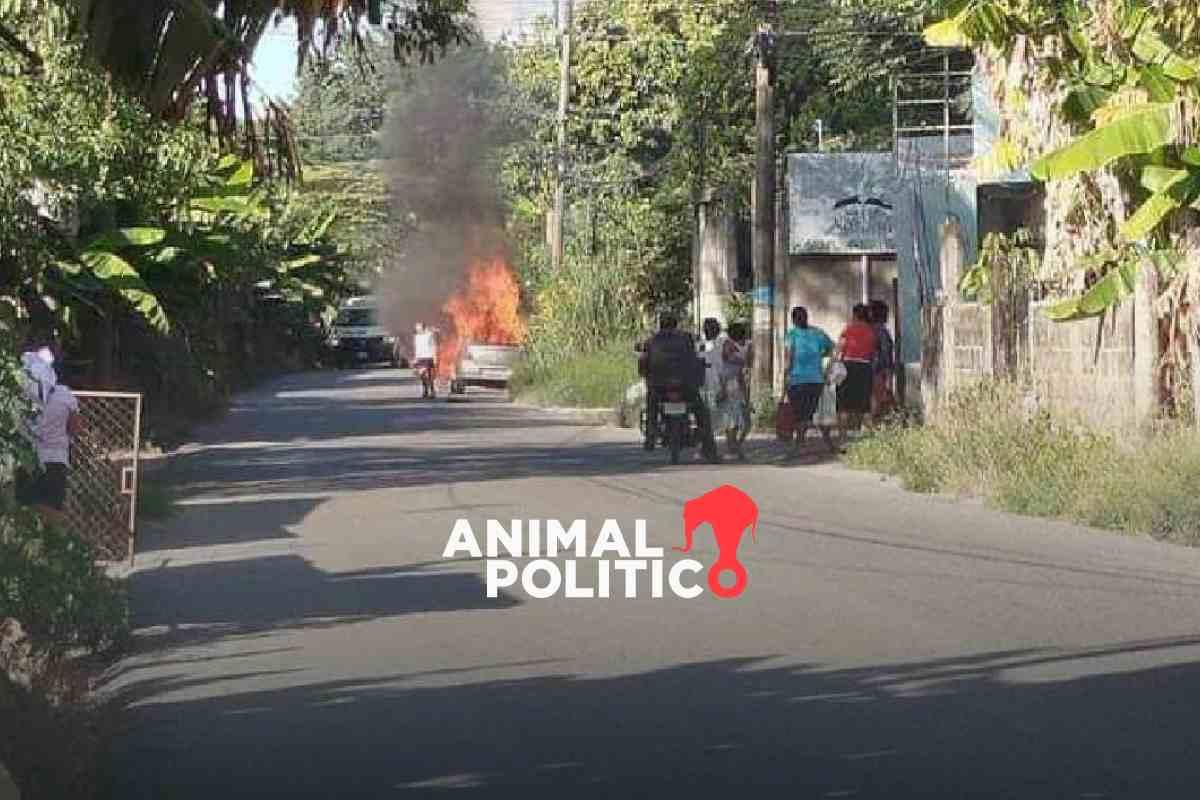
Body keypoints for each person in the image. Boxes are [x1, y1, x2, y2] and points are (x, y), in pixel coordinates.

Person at [15, 333, 82, 528]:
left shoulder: (19, 396)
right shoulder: (64, 395)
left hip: (27, 460)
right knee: (53, 512)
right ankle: (53, 543)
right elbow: (75, 428)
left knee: (25, 512)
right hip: (55, 461)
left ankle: (28, 545)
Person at [643, 312, 718, 462]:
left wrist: (649, 376)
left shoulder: (652, 341)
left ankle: (650, 435)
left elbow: (645, 363)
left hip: (660, 386)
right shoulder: (686, 338)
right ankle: (709, 449)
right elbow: (694, 357)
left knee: (652, 405)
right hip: (685, 385)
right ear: (676, 324)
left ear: (660, 324)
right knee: (702, 414)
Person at [783, 306, 838, 456]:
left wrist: (785, 378)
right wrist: (822, 356)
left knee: (801, 415)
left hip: (797, 380)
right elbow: (833, 348)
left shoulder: (791, 335)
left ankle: (799, 445)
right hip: (816, 380)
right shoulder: (818, 333)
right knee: (814, 413)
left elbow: (788, 359)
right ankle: (828, 444)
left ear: (793, 320)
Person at [701, 318, 747, 461]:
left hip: (724, 384)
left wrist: (738, 363)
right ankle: (715, 449)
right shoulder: (706, 344)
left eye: (710, 328)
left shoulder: (722, 342)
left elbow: (734, 359)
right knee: (719, 418)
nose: (708, 331)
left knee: (730, 419)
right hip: (714, 385)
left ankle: (732, 448)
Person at [835, 303, 877, 436]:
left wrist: (831, 366)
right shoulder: (871, 331)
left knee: (843, 404)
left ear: (855, 315)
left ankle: (842, 436)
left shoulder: (848, 329)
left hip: (848, 366)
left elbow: (839, 349)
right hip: (865, 367)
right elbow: (873, 353)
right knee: (865, 404)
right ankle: (869, 434)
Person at [726, 321, 753, 450]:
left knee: (739, 420)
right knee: (738, 419)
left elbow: (747, 364)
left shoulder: (733, 345)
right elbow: (747, 363)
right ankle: (734, 446)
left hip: (737, 384)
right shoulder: (731, 345)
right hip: (735, 384)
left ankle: (734, 445)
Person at [869, 299, 896, 419]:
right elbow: (886, 355)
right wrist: (889, 376)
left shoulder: (867, 329)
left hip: (867, 370)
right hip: (878, 371)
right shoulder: (881, 331)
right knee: (879, 402)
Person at [413, 322, 437, 398]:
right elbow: (417, 348)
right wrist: (415, 358)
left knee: (430, 375)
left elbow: (433, 346)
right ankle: (425, 390)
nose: (417, 329)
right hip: (420, 358)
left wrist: (434, 357)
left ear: (423, 328)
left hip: (428, 356)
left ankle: (432, 391)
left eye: (418, 327)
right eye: (417, 328)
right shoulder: (416, 337)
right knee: (422, 375)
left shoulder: (429, 335)